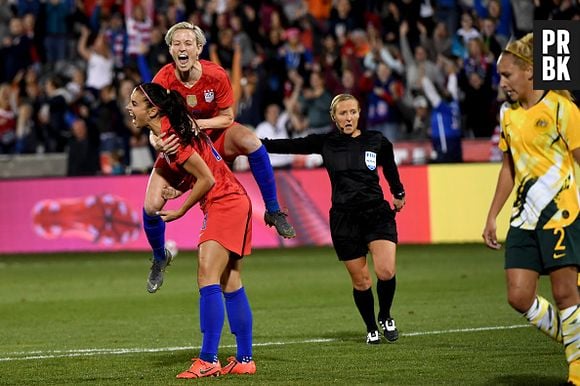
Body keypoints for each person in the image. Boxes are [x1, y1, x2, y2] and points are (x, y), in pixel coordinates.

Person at [126, 82, 256, 377]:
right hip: (234, 200)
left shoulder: (173, 137)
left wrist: (182, 208)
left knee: (206, 276)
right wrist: (180, 187)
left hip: (224, 201)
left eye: (134, 103)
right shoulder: (172, 131)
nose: (129, 108)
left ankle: (209, 359)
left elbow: (207, 179)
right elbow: (201, 167)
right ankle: (245, 360)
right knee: (231, 281)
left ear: (153, 110)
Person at [261, 93, 406, 344]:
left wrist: (398, 192)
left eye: (352, 112)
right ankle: (371, 327)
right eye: (343, 113)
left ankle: (385, 315)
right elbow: (291, 145)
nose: (348, 117)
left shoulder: (377, 140)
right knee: (361, 281)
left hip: (376, 213)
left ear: (359, 113)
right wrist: (257, 143)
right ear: (334, 117)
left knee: (386, 270)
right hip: (344, 218)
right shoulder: (326, 142)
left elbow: (390, 167)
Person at [482, 33, 580, 385]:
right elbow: (508, 167)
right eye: (500, 76)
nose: (502, 82)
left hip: (561, 214)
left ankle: (577, 371)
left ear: (529, 72)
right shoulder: (507, 114)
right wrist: (492, 214)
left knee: (565, 293)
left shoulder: (561, 108)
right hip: (523, 218)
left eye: (507, 75)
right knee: (518, 295)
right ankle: (577, 339)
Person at [150, 21, 295, 239]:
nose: (182, 48)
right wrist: (155, 141)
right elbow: (151, 121)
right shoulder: (162, 80)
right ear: (170, 49)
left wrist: (200, 125)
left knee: (252, 142)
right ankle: (160, 258)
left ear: (198, 49)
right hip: (183, 144)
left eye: (188, 43)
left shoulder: (215, 75)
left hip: (216, 136)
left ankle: (273, 210)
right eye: (176, 43)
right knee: (150, 206)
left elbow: (228, 117)